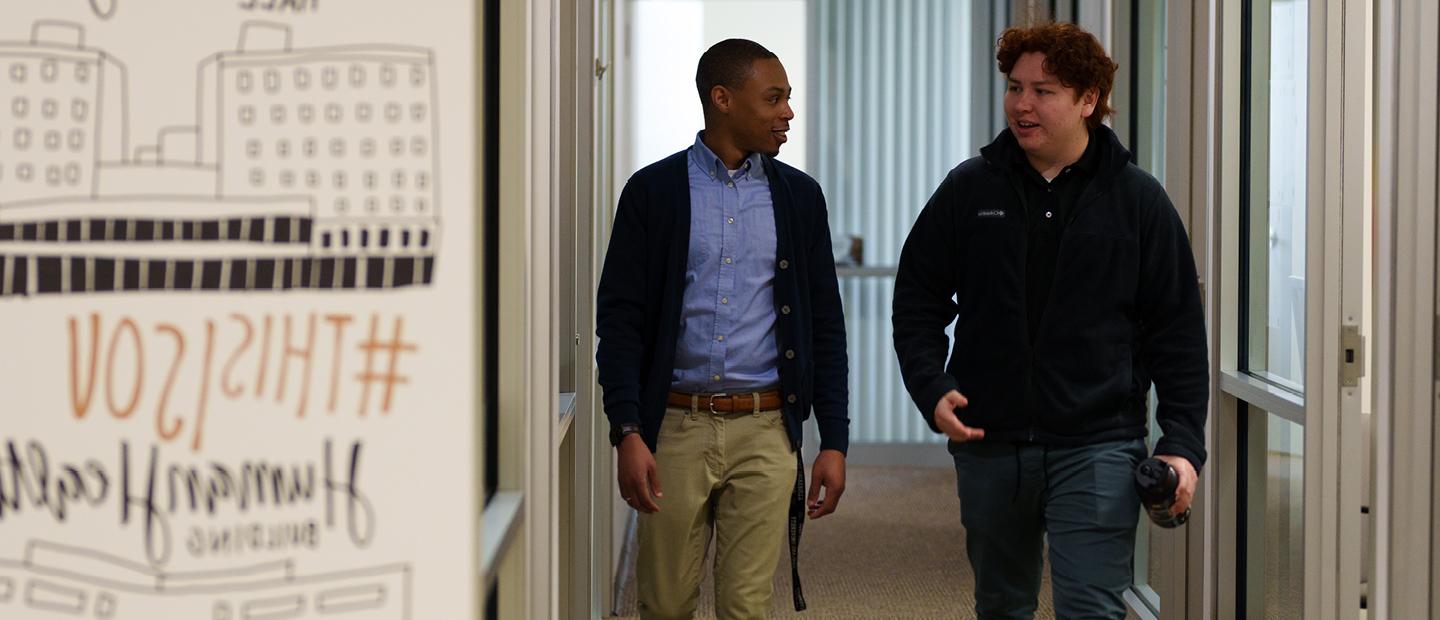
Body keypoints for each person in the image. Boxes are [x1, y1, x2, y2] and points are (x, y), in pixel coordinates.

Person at [891, 22, 1208, 619]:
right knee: (1003, 605)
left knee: (1091, 607)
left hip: (1098, 443)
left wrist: (1183, 445)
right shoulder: (969, 189)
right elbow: (917, 300)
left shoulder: (1138, 201)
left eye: (1044, 90)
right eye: (1015, 87)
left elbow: (1179, 334)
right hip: (990, 443)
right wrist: (931, 387)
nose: (1022, 104)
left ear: (1089, 100)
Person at [595, 38, 850, 619]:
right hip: (676, 428)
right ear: (723, 99)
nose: (788, 111)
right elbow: (621, 321)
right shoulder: (653, 192)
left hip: (766, 429)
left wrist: (833, 440)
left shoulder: (800, 198)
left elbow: (825, 327)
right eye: (775, 97)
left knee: (746, 608)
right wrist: (627, 429)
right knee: (664, 604)